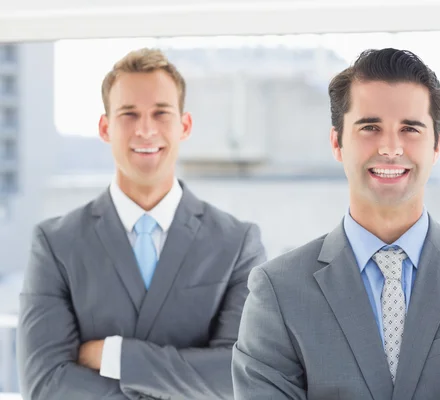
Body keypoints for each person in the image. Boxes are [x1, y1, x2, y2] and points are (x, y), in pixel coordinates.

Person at [232, 48, 440, 399]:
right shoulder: (278, 291)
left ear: (436, 145)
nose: (391, 147)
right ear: (337, 143)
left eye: (410, 129)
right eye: (370, 127)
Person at [17, 48, 266, 400]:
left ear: (185, 125)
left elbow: (238, 378)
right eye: (128, 114)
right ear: (105, 127)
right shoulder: (55, 243)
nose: (145, 129)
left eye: (161, 113)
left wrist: (117, 357)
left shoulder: (238, 243)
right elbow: (45, 386)